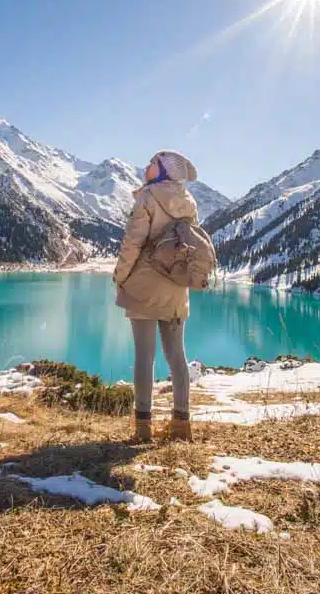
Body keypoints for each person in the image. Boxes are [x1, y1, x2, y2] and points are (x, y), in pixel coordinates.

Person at [113, 150, 200, 443]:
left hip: (144, 288)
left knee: (144, 357)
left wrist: (120, 276)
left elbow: (132, 244)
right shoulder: (189, 202)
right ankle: (181, 424)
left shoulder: (147, 198)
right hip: (177, 287)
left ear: (163, 170)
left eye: (153, 162)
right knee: (177, 356)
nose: (146, 165)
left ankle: (142, 427)